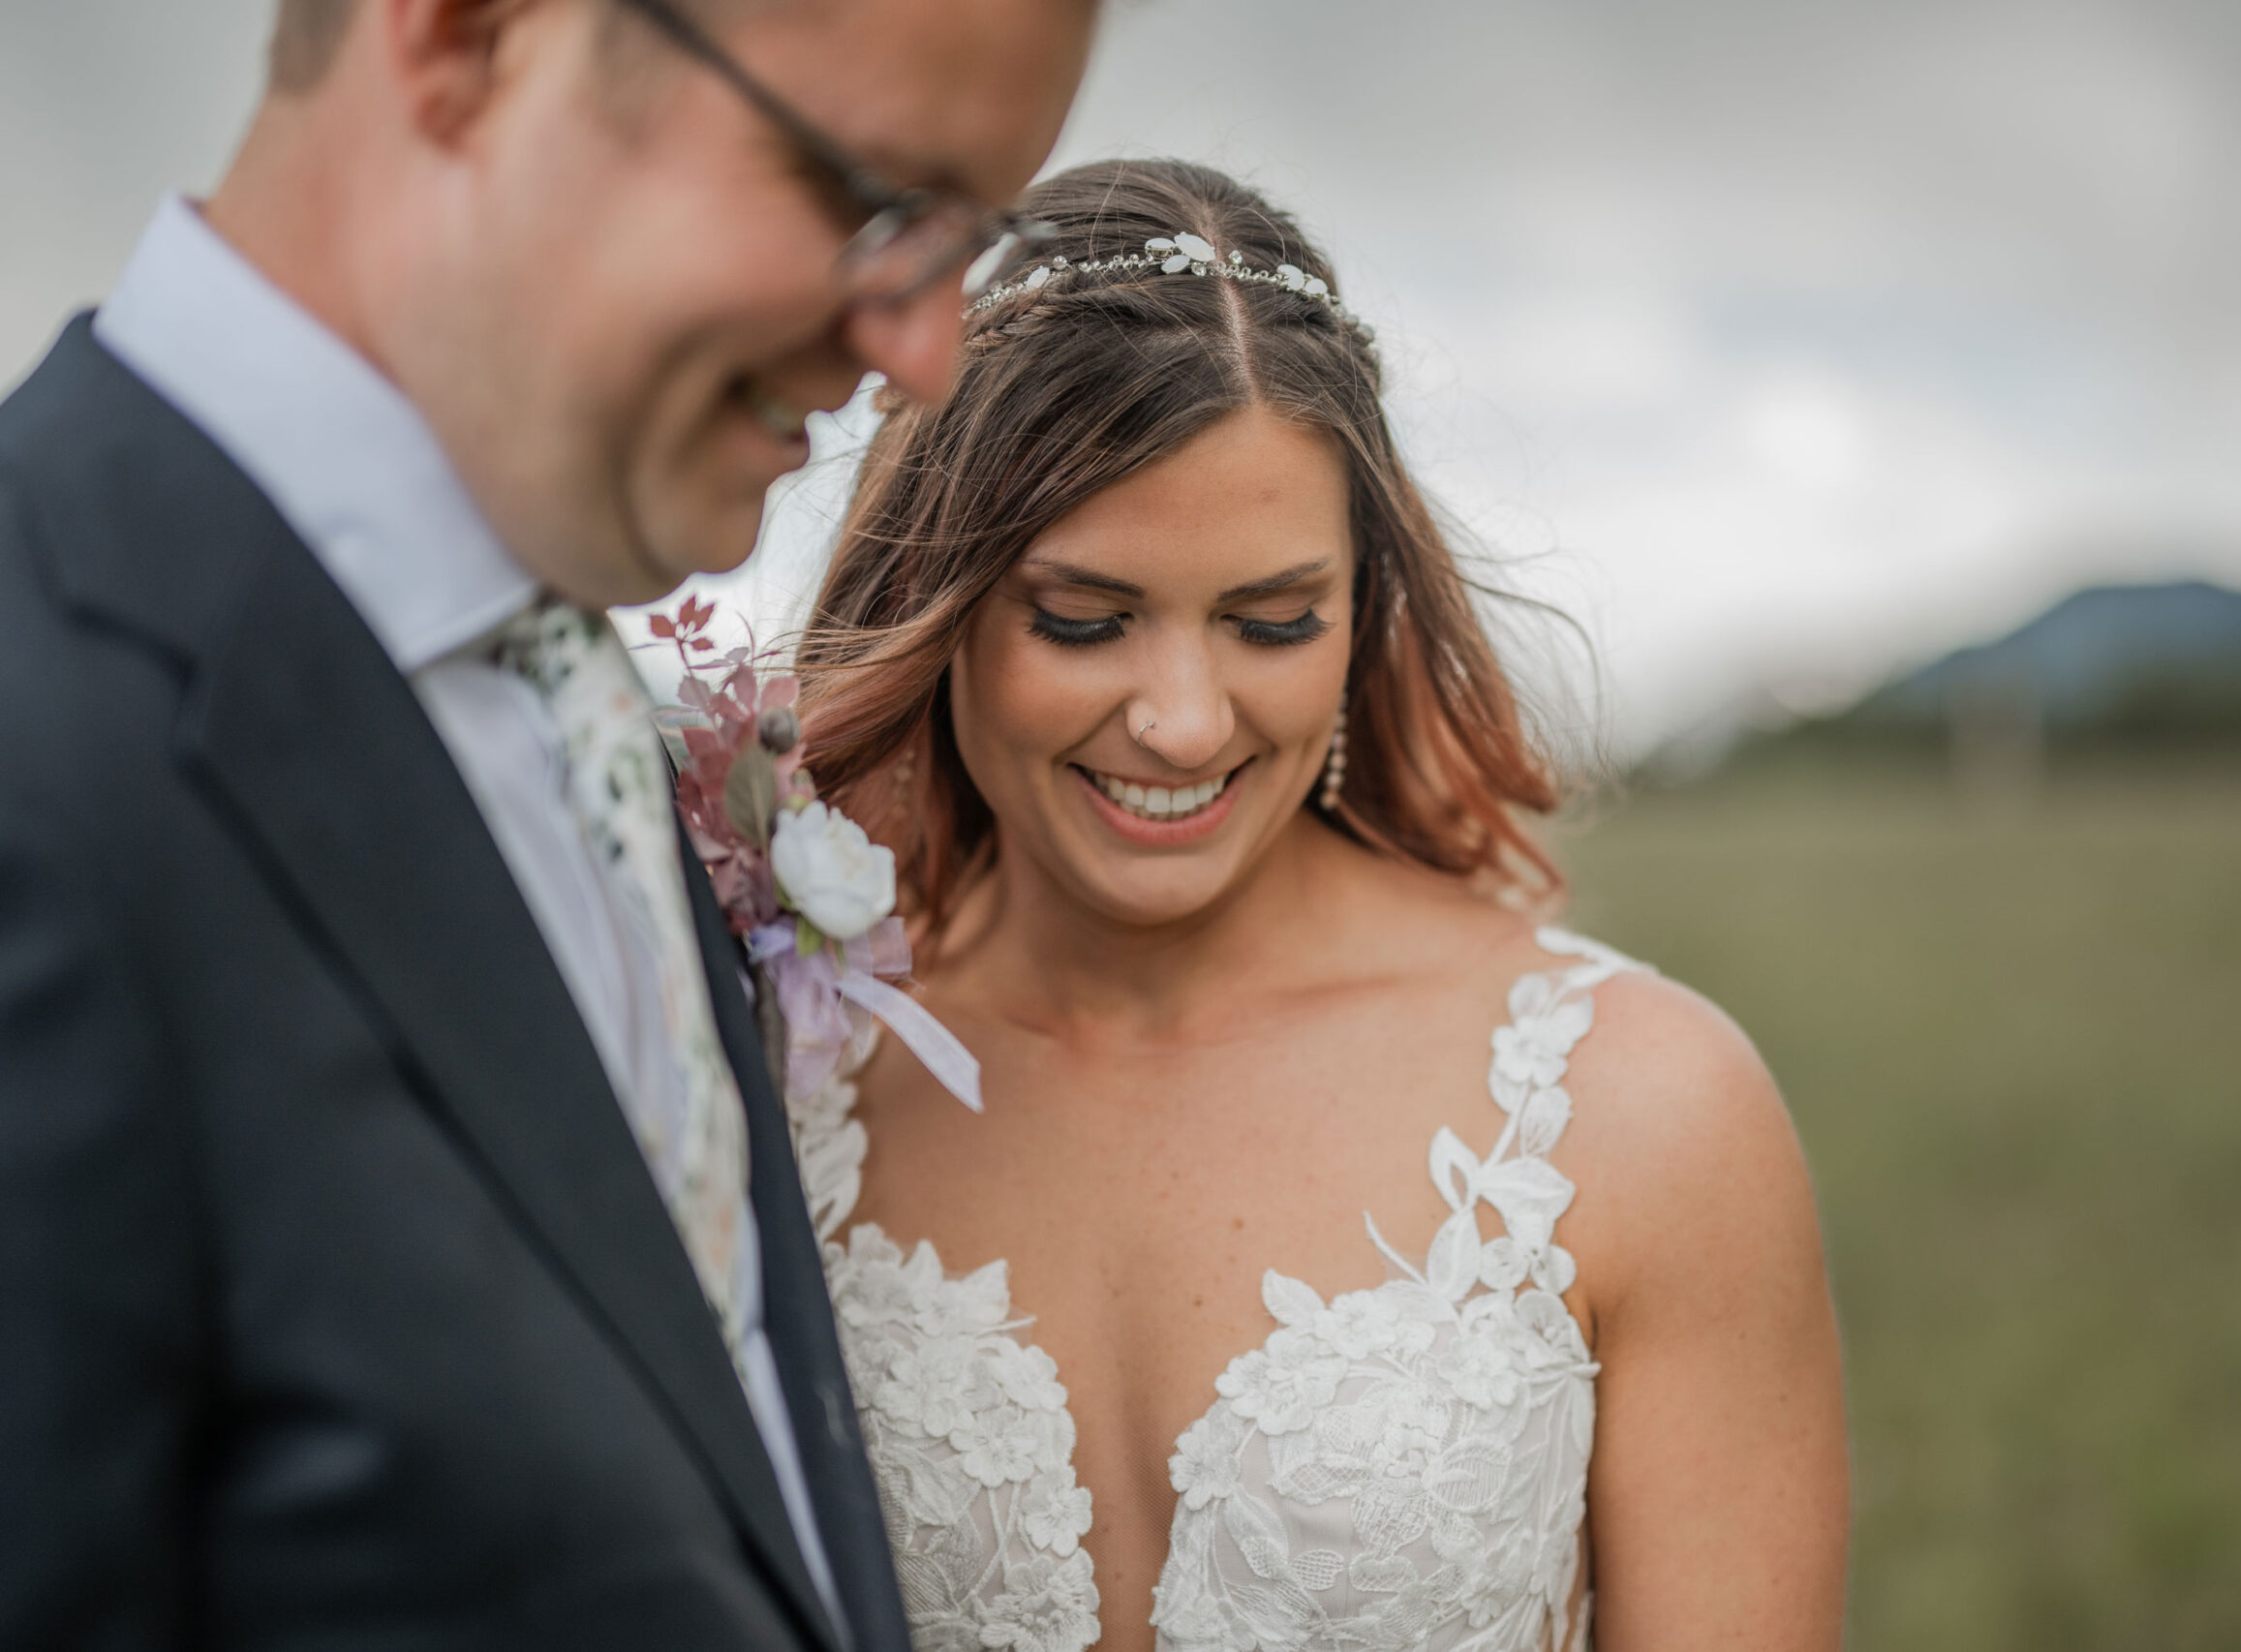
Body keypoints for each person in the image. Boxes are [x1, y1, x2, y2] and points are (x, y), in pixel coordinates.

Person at [0, 0, 1091, 1646]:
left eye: (969, 239)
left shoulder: (574, 683)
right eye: (874, 201)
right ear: (466, 38)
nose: (923, 348)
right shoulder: (41, 737)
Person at [785, 160, 1850, 1652]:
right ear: (939, 598)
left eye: (1271, 620)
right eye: (1085, 618)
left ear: (1363, 613)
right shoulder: (793, 1084)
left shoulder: (1643, 1113)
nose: (1182, 718)